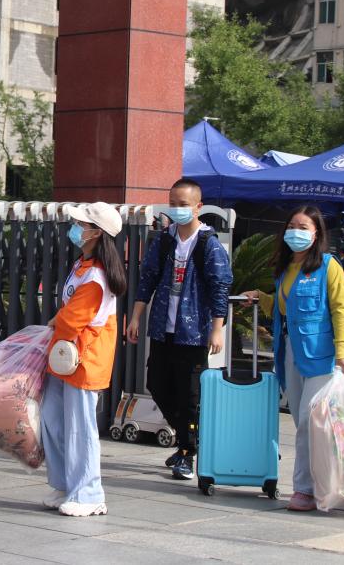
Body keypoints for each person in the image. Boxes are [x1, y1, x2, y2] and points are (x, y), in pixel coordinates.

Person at [241, 204, 344, 512]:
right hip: (289, 351)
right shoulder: (286, 268)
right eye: (291, 226)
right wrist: (261, 297)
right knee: (302, 421)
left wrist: (343, 351)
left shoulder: (328, 266)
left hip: (321, 356)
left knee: (309, 421)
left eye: (303, 228)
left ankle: (305, 489)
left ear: (316, 234)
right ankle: (319, 485)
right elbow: (283, 308)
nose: (295, 233)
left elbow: (341, 310)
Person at [125, 178, 233, 481]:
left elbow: (220, 288)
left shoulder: (208, 244)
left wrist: (217, 329)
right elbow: (147, 278)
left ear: (198, 207)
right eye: (173, 204)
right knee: (157, 384)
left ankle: (187, 451)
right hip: (163, 329)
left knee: (189, 395)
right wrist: (136, 317)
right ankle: (191, 438)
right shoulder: (164, 240)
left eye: (183, 204)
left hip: (193, 332)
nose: (177, 209)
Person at [41, 202, 127, 517]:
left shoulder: (95, 275)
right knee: (53, 420)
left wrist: (56, 322)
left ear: (96, 233)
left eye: (81, 224)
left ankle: (88, 494)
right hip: (67, 357)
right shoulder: (84, 265)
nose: (75, 228)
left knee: (80, 428)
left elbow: (71, 320)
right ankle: (66, 485)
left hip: (84, 359)